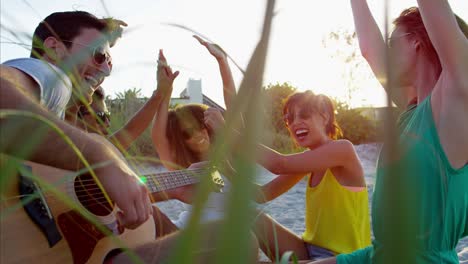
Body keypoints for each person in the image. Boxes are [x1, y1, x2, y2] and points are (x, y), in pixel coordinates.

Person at [0, 11, 255, 263]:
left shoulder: (58, 123)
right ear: (54, 47)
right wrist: (101, 156)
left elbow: (95, 173)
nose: (106, 70)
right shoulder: (53, 78)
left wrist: (170, 186)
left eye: (109, 62)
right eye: (98, 56)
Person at [312, 2, 468, 263]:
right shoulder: (413, 111)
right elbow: (369, 49)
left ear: (418, 41)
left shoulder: (453, 108)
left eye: (392, 43)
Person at [229, 91, 370, 261]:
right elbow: (262, 195)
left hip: (342, 257)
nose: (295, 123)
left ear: (325, 117)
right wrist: (225, 168)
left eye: (304, 115)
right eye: (290, 120)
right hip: (308, 250)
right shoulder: (309, 162)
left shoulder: (342, 149)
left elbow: (279, 164)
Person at [151, 36, 237, 229]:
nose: (199, 133)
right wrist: (165, 90)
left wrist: (222, 61)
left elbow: (234, 104)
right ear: (181, 140)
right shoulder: (182, 166)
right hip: (189, 235)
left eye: (202, 125)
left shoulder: (229, 151)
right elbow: (158, 137)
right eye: (187, 133)